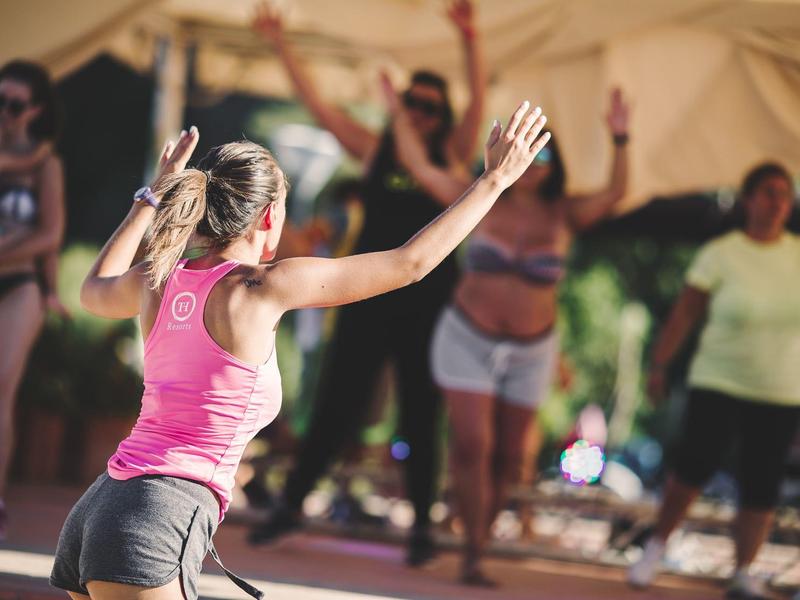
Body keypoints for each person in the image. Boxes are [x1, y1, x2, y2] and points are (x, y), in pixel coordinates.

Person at [48, 102, 550, 599]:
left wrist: (151, 197)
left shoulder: (159, 279)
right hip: (155, 517)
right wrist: (492, 182)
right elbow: (410, 264)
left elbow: (94, 289)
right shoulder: (263, 286)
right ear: (269, 217)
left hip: (101, 508)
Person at [249, 0, 487, 565]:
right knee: (336, 403)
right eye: (413, 102)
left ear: (443, 114)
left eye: (431, 105)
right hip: (366, 292)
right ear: (402, 104)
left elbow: (479, 102)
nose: (421, 112)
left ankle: (422, 532)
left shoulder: (448, 154)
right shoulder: (376, 147)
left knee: (420, 414)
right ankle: (290, 506)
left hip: (428, 300)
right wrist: (281, 43)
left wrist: (470, 38)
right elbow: (317, 106)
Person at [385, 81, 630, 584]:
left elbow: (616, 193)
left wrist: (621, 140)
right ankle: (473, 552)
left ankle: (478, 538)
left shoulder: (563, 213)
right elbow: (419, 167)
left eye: (543, 157)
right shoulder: (480, 193)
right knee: (472, 444)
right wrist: (396, 113)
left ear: (553, 165)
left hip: (531, 349)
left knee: (510, 457)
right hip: (466, 336)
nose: (534, 166)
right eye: (528, 154)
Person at [628, 162, 800, 599]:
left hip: (778, 387)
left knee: (762, 482)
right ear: (749, 199)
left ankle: (744, 571)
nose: (777, 200)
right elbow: (685, 313)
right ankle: (655, 546)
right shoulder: (721, 252)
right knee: (692, 469)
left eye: (784, 192)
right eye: (767, 191)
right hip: (718, 378)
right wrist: (659, 364)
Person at [0, 60, 66, 539]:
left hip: (18, 284)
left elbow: (50, 234)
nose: (4, 111)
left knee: (1, 389)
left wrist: (54, 287)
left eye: (15, 104)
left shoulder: (45, 162)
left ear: (35, 109)